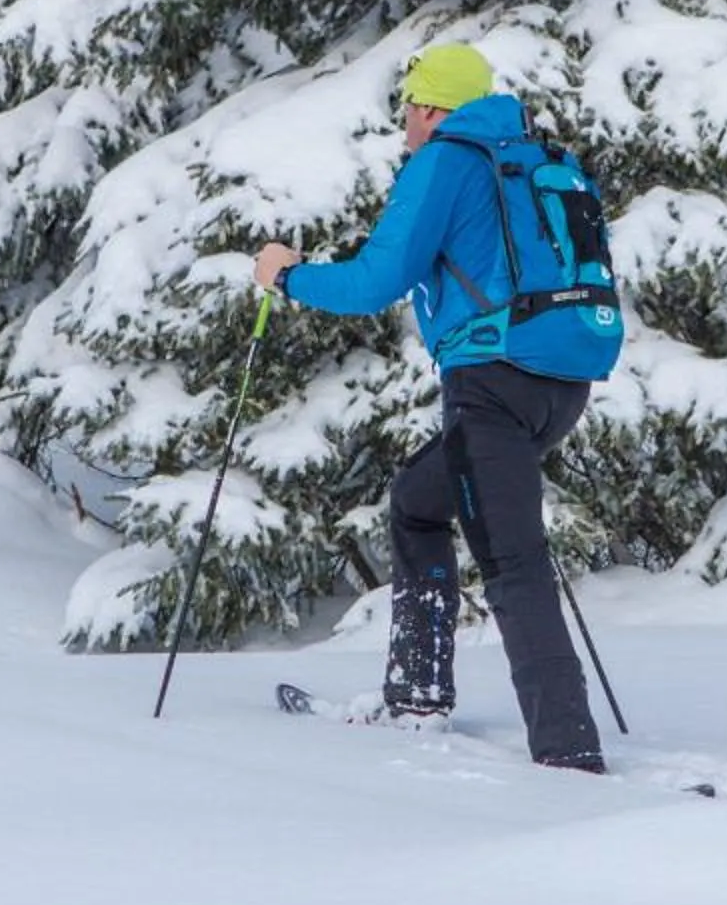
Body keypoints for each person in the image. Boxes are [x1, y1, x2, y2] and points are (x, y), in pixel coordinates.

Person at [252, 45, 608, 771]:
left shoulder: (446, 160)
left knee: (512, 562)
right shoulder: (541, 159)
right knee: (418, 502)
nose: (406, 126)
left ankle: (569, 753)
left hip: (493, 383)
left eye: (409, 109)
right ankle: (417, 693)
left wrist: (286, 277)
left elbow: (374, 282)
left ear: (429, 108)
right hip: (563, 383)